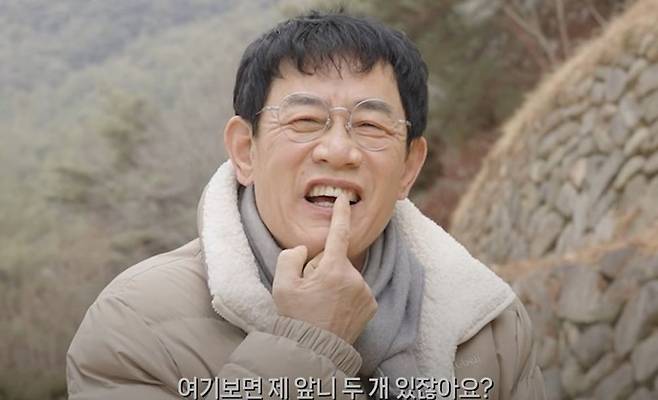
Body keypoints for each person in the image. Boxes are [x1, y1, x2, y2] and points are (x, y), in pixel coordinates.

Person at [67, 10, 545, 400]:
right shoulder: (134, 323)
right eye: (304, 120)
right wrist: (308, 342)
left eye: (371, 126)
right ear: (245, 151)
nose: (338, 150)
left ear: (408, 167)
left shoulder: (487, 326)